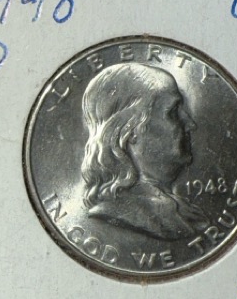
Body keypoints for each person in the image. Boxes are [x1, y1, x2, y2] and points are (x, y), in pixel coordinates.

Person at [80, 63, 208, 240]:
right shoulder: (121, 215)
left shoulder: (182, 212)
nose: (190, 124)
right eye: (173, 112)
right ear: (129, 131)